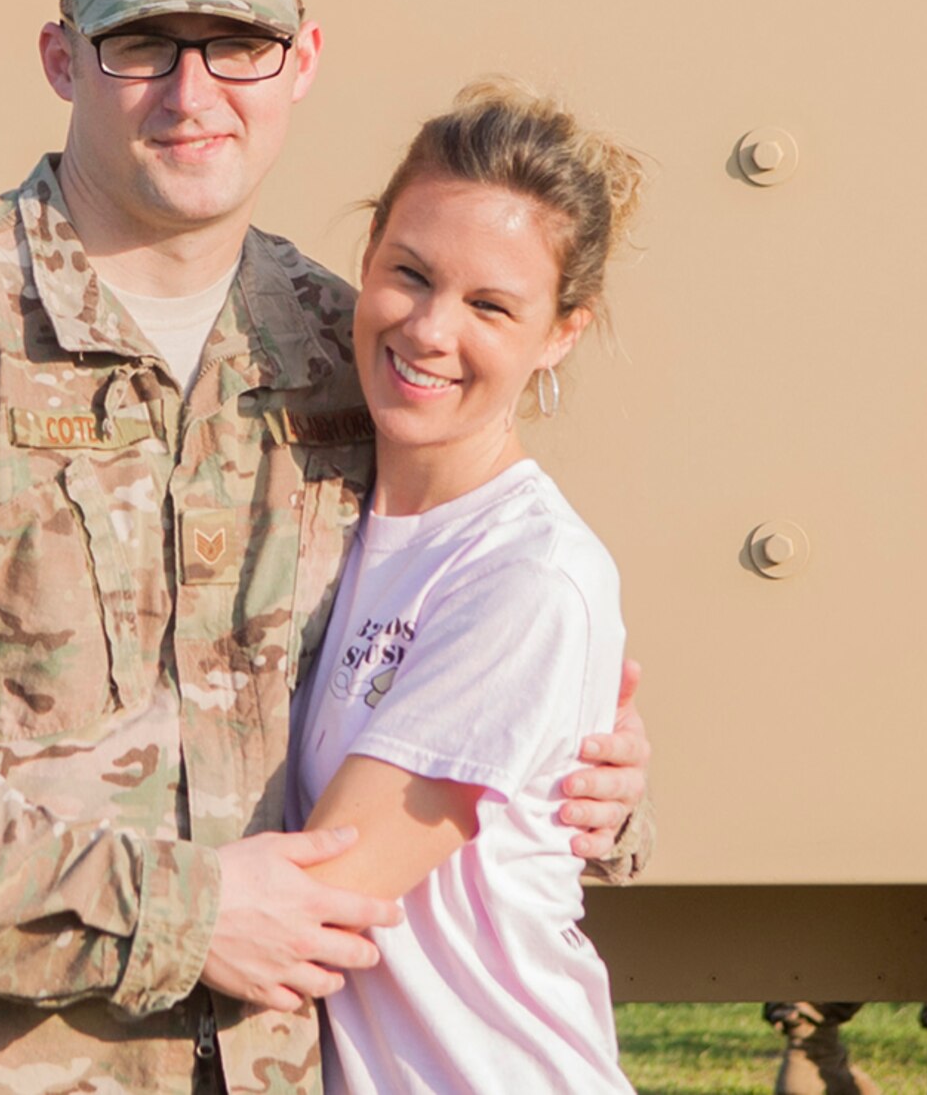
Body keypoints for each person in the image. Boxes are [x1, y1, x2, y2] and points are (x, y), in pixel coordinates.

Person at [0, 0, 650, 1094]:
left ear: (302, 60)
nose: (191, 91)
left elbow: (469, 620)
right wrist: (182, 914)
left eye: (238, 43)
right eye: (142, 43)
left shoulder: (335, 350)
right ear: (61, 57)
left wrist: (593, 777)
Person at [285, 81, 642, 1094]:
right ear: (365, 263)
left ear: (561, 331)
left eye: (491, 305)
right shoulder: (322, 524)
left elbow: (324, 892)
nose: (432, 330)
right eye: (410, 276)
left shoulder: (529, 575)